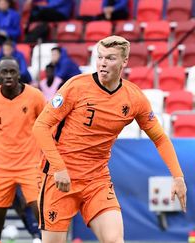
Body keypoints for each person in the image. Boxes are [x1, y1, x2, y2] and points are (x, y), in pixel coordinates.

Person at [32, 35, 187, 243]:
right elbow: (40, 126)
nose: (103, 63)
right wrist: (59, 168)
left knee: (115, 241)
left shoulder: (134, 98)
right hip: (60, 177)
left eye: (110, 58)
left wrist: (178, 177)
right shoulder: (76, 87)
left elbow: (160, 138)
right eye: (100, 57)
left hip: (97, 181)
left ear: (124, 62)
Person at [0, 56, 46, 243]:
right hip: (1, 169)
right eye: (4, 72)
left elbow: (48, 129)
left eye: (12, 71)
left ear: (19, 74)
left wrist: (51, 164)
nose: (8, 75)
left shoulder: (35, 96)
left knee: (45, 217)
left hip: (31, 166)